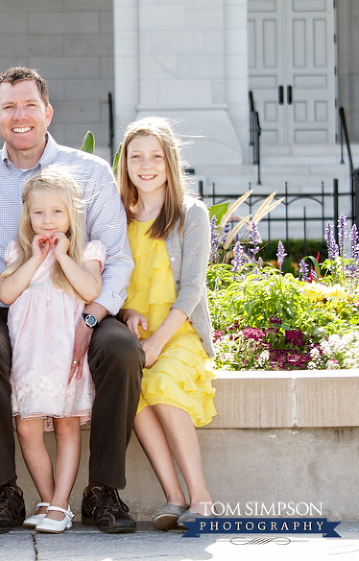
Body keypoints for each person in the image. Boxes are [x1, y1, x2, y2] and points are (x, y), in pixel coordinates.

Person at [0, 66, 144, 534]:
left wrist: (92, 315)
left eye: (29, 105)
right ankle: (5, 491)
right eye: (9, 107)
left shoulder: (91, 172)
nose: (20, 116)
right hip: (6, 305)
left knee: (122, 351)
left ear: (47, 112)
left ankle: (102, 489)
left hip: (82, 300)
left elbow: (116, 258)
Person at [116, 117, 216, 530]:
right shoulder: (119, 215)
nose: (146, 165)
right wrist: (126, 314)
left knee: (160, 384)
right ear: (124, 163)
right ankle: (174, 499)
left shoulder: (191, 213)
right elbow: (110, 282)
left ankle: (203, 500)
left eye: (155, 156)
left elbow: (192, 287)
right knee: (135, 394)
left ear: (170, 162)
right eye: (136, 156)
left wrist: (158, 341)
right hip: (135, 333)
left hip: (177, 331)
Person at [0, 170, 105, 533]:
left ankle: (62, 505)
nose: (47, 220)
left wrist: (61, 256)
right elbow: (7, 294)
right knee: (26, 429)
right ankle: (48, 499)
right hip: (28, 357)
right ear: (27, 216)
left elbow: (91, 290)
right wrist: (34, 257)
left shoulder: (87, 252)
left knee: (66, 426)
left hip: (64, 357)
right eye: (39, 213)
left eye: (57, 213)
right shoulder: (18, 252)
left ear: (71, 215)